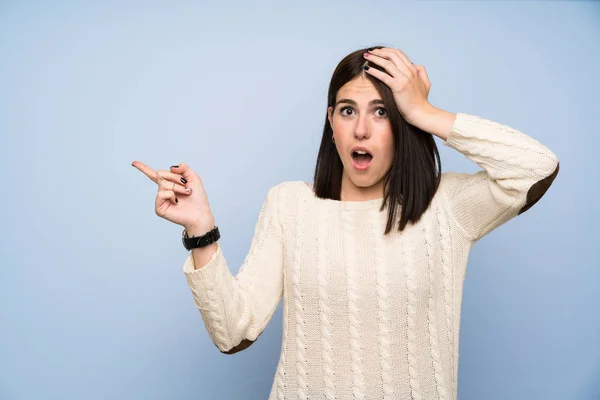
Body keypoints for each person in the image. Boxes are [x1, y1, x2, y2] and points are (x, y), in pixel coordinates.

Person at [132, 46, 559, 400]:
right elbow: (233, 332)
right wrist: (200, 229)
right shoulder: (289, 204)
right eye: (348, 110)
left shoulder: (445, 205)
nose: (360, 130)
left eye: (381, 112)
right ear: (330, 120)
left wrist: (424, 111)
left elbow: (536, 166)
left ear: (402, 122)